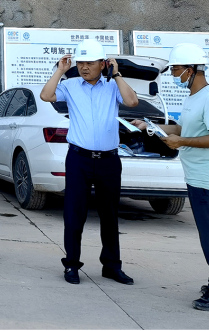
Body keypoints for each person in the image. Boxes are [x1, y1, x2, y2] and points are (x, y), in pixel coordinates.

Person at [133, 43, 209, 311]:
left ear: (190, 70)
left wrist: (181, 142)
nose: (173, 75)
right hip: (197, 177)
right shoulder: (193, 97)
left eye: (175, 70)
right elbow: (183, 128)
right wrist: (150, 126)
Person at [39, 38, 139, 286]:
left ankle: (112, 266)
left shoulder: (112, 86)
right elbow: (46, 95)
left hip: (108, 161)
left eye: (90, 63)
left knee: (109, 215)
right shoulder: (70, 85)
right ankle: (72, 265)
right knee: (74, 215)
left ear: (102, 64)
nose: (84, 67)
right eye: (81, 62)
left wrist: (117, 74)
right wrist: (60, 70)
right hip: (79, 159)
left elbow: (132, 101)